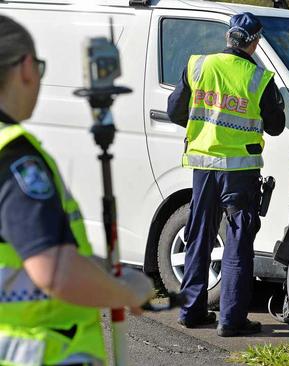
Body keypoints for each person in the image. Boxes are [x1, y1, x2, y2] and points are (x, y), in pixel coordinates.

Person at [0, 15, 155, 366]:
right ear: (26, 67)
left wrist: (100, 271)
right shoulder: (13, 157)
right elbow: (53, 272)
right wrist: (124, 291)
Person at [167, 12, 285, 336]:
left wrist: (205, 127)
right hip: (240, 171)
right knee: (237, 241)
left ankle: (191, 311)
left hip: (203, 166)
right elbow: (276, 126)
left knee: (199, 234)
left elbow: (174, 110)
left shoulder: (198, 66)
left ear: (227, 37)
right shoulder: (259, 78)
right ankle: (231, 321)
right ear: (255, 42)